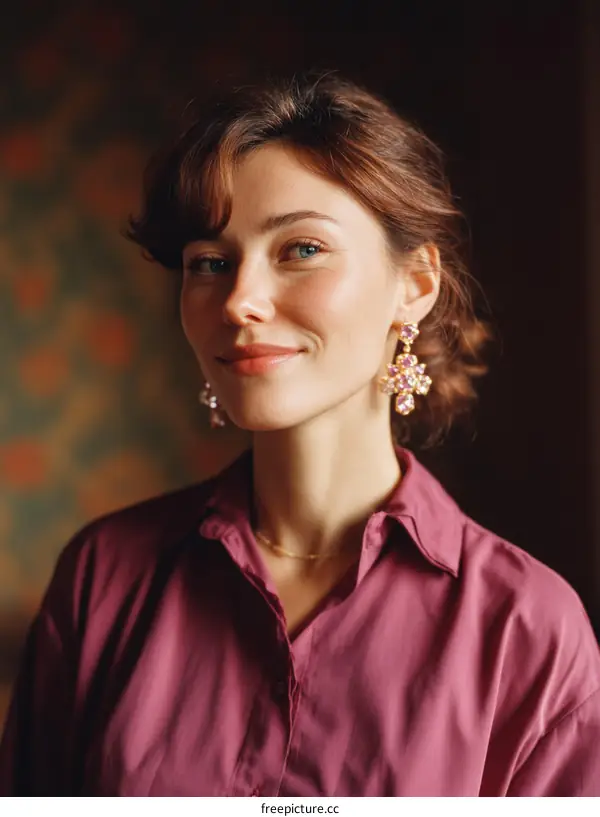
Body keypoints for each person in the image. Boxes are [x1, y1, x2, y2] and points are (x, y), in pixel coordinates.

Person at [1, 72, 599, 797]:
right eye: (209, 264)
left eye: (301, 249)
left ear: (414, 284)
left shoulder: (526, 628)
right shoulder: (105, 578)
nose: (240, 300)